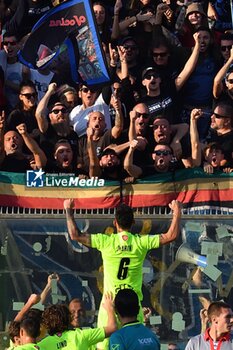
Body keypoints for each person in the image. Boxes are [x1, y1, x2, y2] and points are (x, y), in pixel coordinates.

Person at [63, 198, 182, 350]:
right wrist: (177, 212)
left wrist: (68, 209)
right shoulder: (141, 242)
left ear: (115, 223)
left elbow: (75, 235)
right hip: (132, 307)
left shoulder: (106, 241)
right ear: (133, 223)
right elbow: (170, 236)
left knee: (104, 347)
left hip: (110, 304)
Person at [37, 293, 116, 349]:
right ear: (68, 317)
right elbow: (112, 328)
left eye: (80, 311)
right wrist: (110, 308)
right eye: (72, 312)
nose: (76, 315)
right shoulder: (80, 336)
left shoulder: (42, 344)